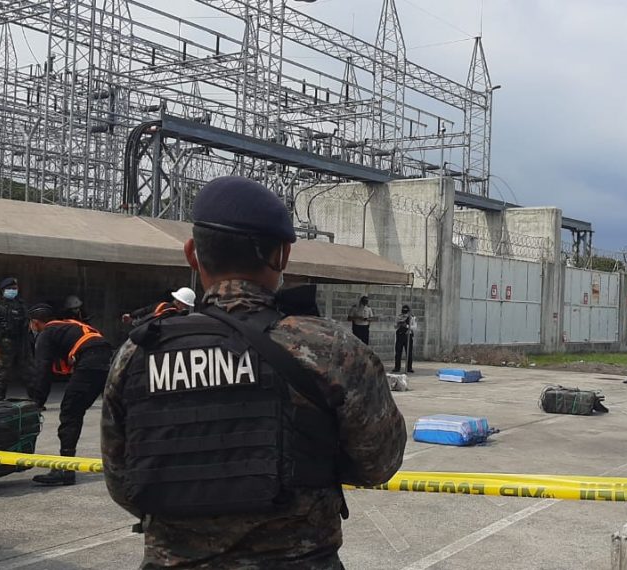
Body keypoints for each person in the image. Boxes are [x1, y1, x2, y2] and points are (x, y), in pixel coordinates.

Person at [101, 175, 406, 568]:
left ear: (192, 253)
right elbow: (379, 464)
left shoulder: (137, 354)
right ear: (282, 255)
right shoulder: (331, 350)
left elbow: (123, 482)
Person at [26, 303, 112, 486]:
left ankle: (66, 469)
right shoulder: (69, 325)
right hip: (108, 357)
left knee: (70, 412)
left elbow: (42, 371)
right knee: (115, 412)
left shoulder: (46, 333)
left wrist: (36, 402)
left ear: (35, 323)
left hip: (90, 360)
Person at [0, 277, 29, 401]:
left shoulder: (21, 304)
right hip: (4, 343)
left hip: (21, 343)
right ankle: (1, 398)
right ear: (3, 290)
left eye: (14, 288)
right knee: (2, 373)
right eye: (10, 288)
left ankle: (35, 398)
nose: (12, 290)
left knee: (28, 371)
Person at [122, 287, 195, 326]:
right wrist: (133, 322)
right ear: (180, 302)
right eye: (186, 305)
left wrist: (131, 315)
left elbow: (145, 310)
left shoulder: (162, 305)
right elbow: (150, 319)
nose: (185, 308)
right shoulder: (170, 312)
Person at [393, 304, 417, 373]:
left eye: (406, 311)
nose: (404, 313)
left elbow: (414, 327)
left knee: (409, 353)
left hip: (408, 336)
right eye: (403, 311)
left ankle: (409, 368)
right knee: (398, 352)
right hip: (400, 335)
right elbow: (395, 326)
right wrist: (398, 324)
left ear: (409, 311)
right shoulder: (399, 317)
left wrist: (406, 326)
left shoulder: (412, 318)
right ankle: (397, 367)